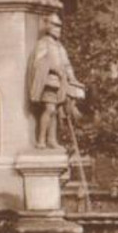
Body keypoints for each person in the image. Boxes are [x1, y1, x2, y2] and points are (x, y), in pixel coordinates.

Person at [26, 13, 85, 149]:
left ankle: (51, 139)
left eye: (59, 26)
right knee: (50, 109)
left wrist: (73, 78)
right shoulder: (43, 44)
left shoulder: (59, 47)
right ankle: (41, 139)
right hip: (48, 81)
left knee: (56, 111)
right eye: (56, 26)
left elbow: (67, 64)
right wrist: (54, 69)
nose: (58, 29)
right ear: (49, 27)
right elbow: (38, 62)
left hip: (60, 83)